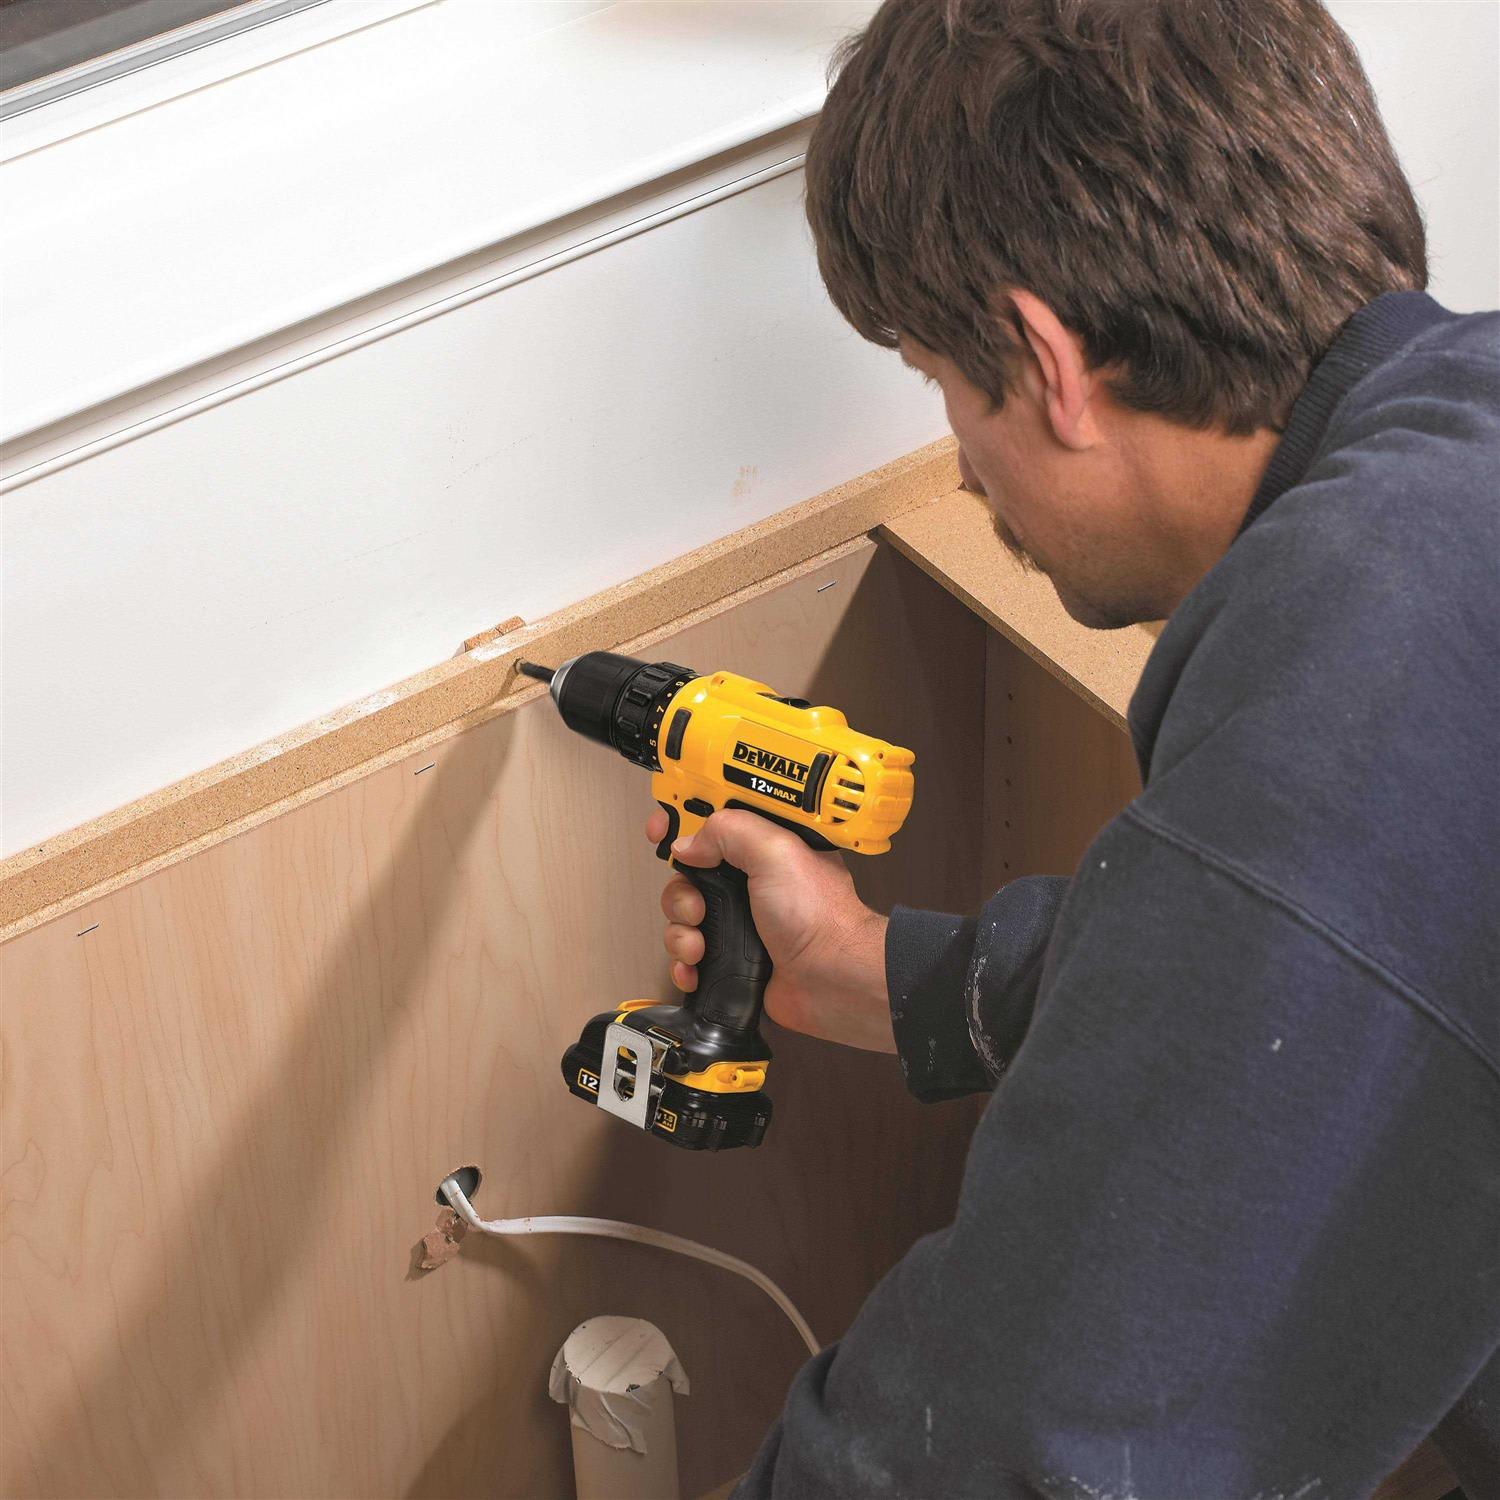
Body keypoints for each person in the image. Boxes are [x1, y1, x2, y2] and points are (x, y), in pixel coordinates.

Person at [647, 1, 1500, 1495]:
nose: (966, 472)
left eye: (940, 384)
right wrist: (897, 977)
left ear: (1047, 360)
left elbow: (1021, 1442)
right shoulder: (1452, 462)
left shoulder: (1354, 669)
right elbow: (1328, 949)